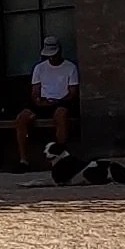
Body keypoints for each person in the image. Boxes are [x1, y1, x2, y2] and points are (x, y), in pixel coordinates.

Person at [15, 36, 79, 171]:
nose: (52, 58)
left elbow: (72, 92)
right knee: (22, 118)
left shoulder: (70, 67)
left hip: (62, 102)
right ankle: (23, 160)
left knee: (61, 115)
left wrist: (59, 100)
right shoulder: (39, 68)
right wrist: (38, 101)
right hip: (43, 102)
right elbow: (35, 91)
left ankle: (62, 158)